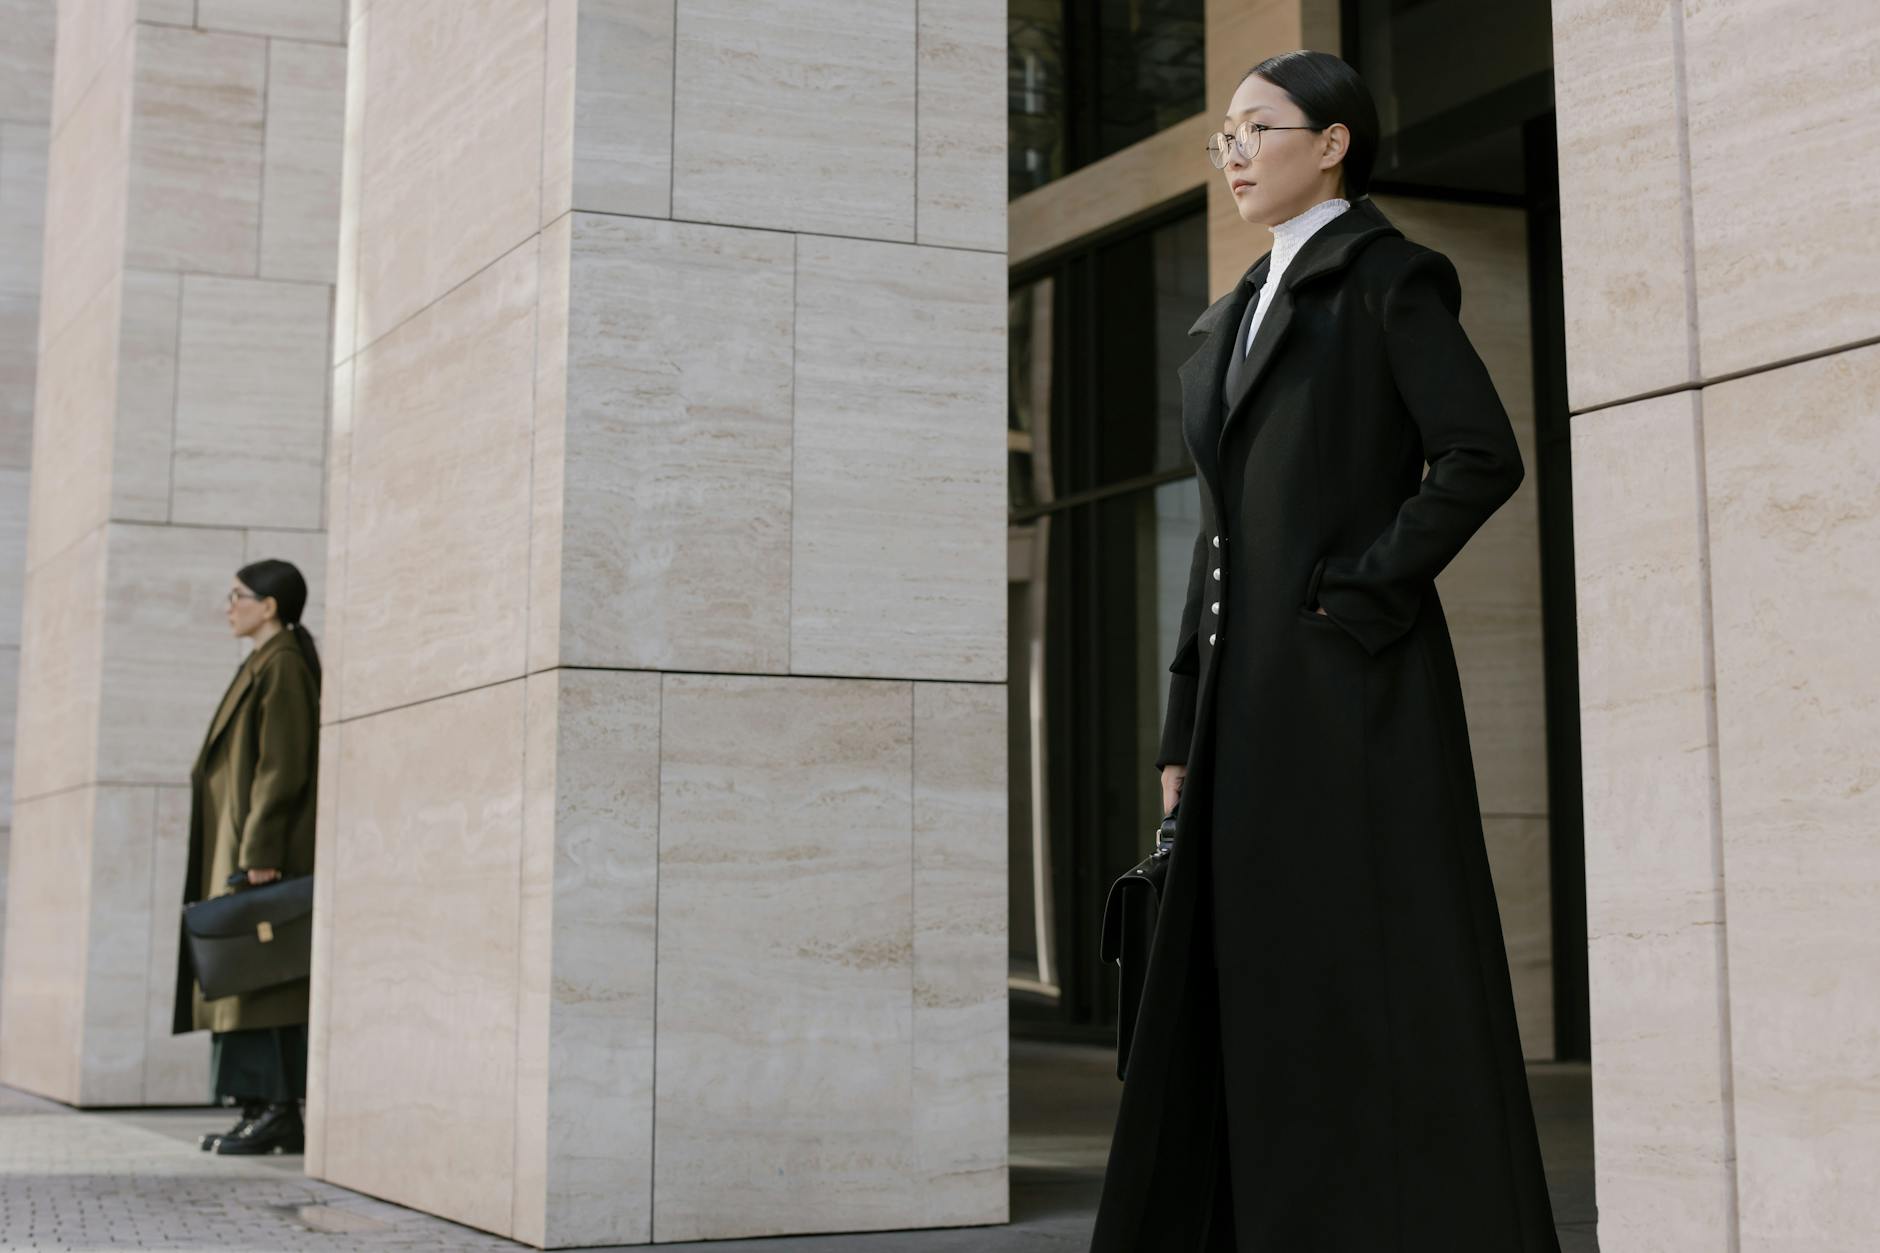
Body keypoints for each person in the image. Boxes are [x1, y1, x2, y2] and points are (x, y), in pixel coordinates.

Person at [1089, 51, 1561, 1251]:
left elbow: (1477, 456)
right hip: (1241, 709)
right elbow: (1217, 538)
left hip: (1352, 689)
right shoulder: (1239, 304)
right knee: (1261, 987)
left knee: (1364, 977)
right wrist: (1177, 728)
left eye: (1256, 128)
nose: (1233, 153)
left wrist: (1354, 598)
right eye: (1223, 138)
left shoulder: (1387, 278)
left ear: (1333, 140)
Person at [171, 559, 321, 1156]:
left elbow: (281, 765)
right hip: (243, 848)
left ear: (271, 605)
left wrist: (260, 851)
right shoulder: (266, 661)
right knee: (241, 981)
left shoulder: (282, 663)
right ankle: (259, 1110)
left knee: (260, 984)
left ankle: (277, 1112)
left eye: (239, 595)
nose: (228, 605)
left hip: (260, 854)